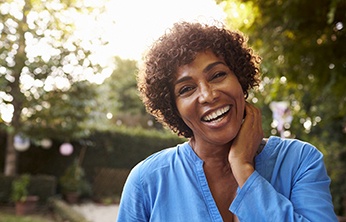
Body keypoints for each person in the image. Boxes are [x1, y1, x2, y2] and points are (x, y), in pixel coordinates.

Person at [117, 21, 337, 222]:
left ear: (240, 79)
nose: (208, 95)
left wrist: (243, 168)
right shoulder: (147, 181)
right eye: (186, 89)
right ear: (174, 108)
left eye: (217, 75)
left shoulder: (300, 161)